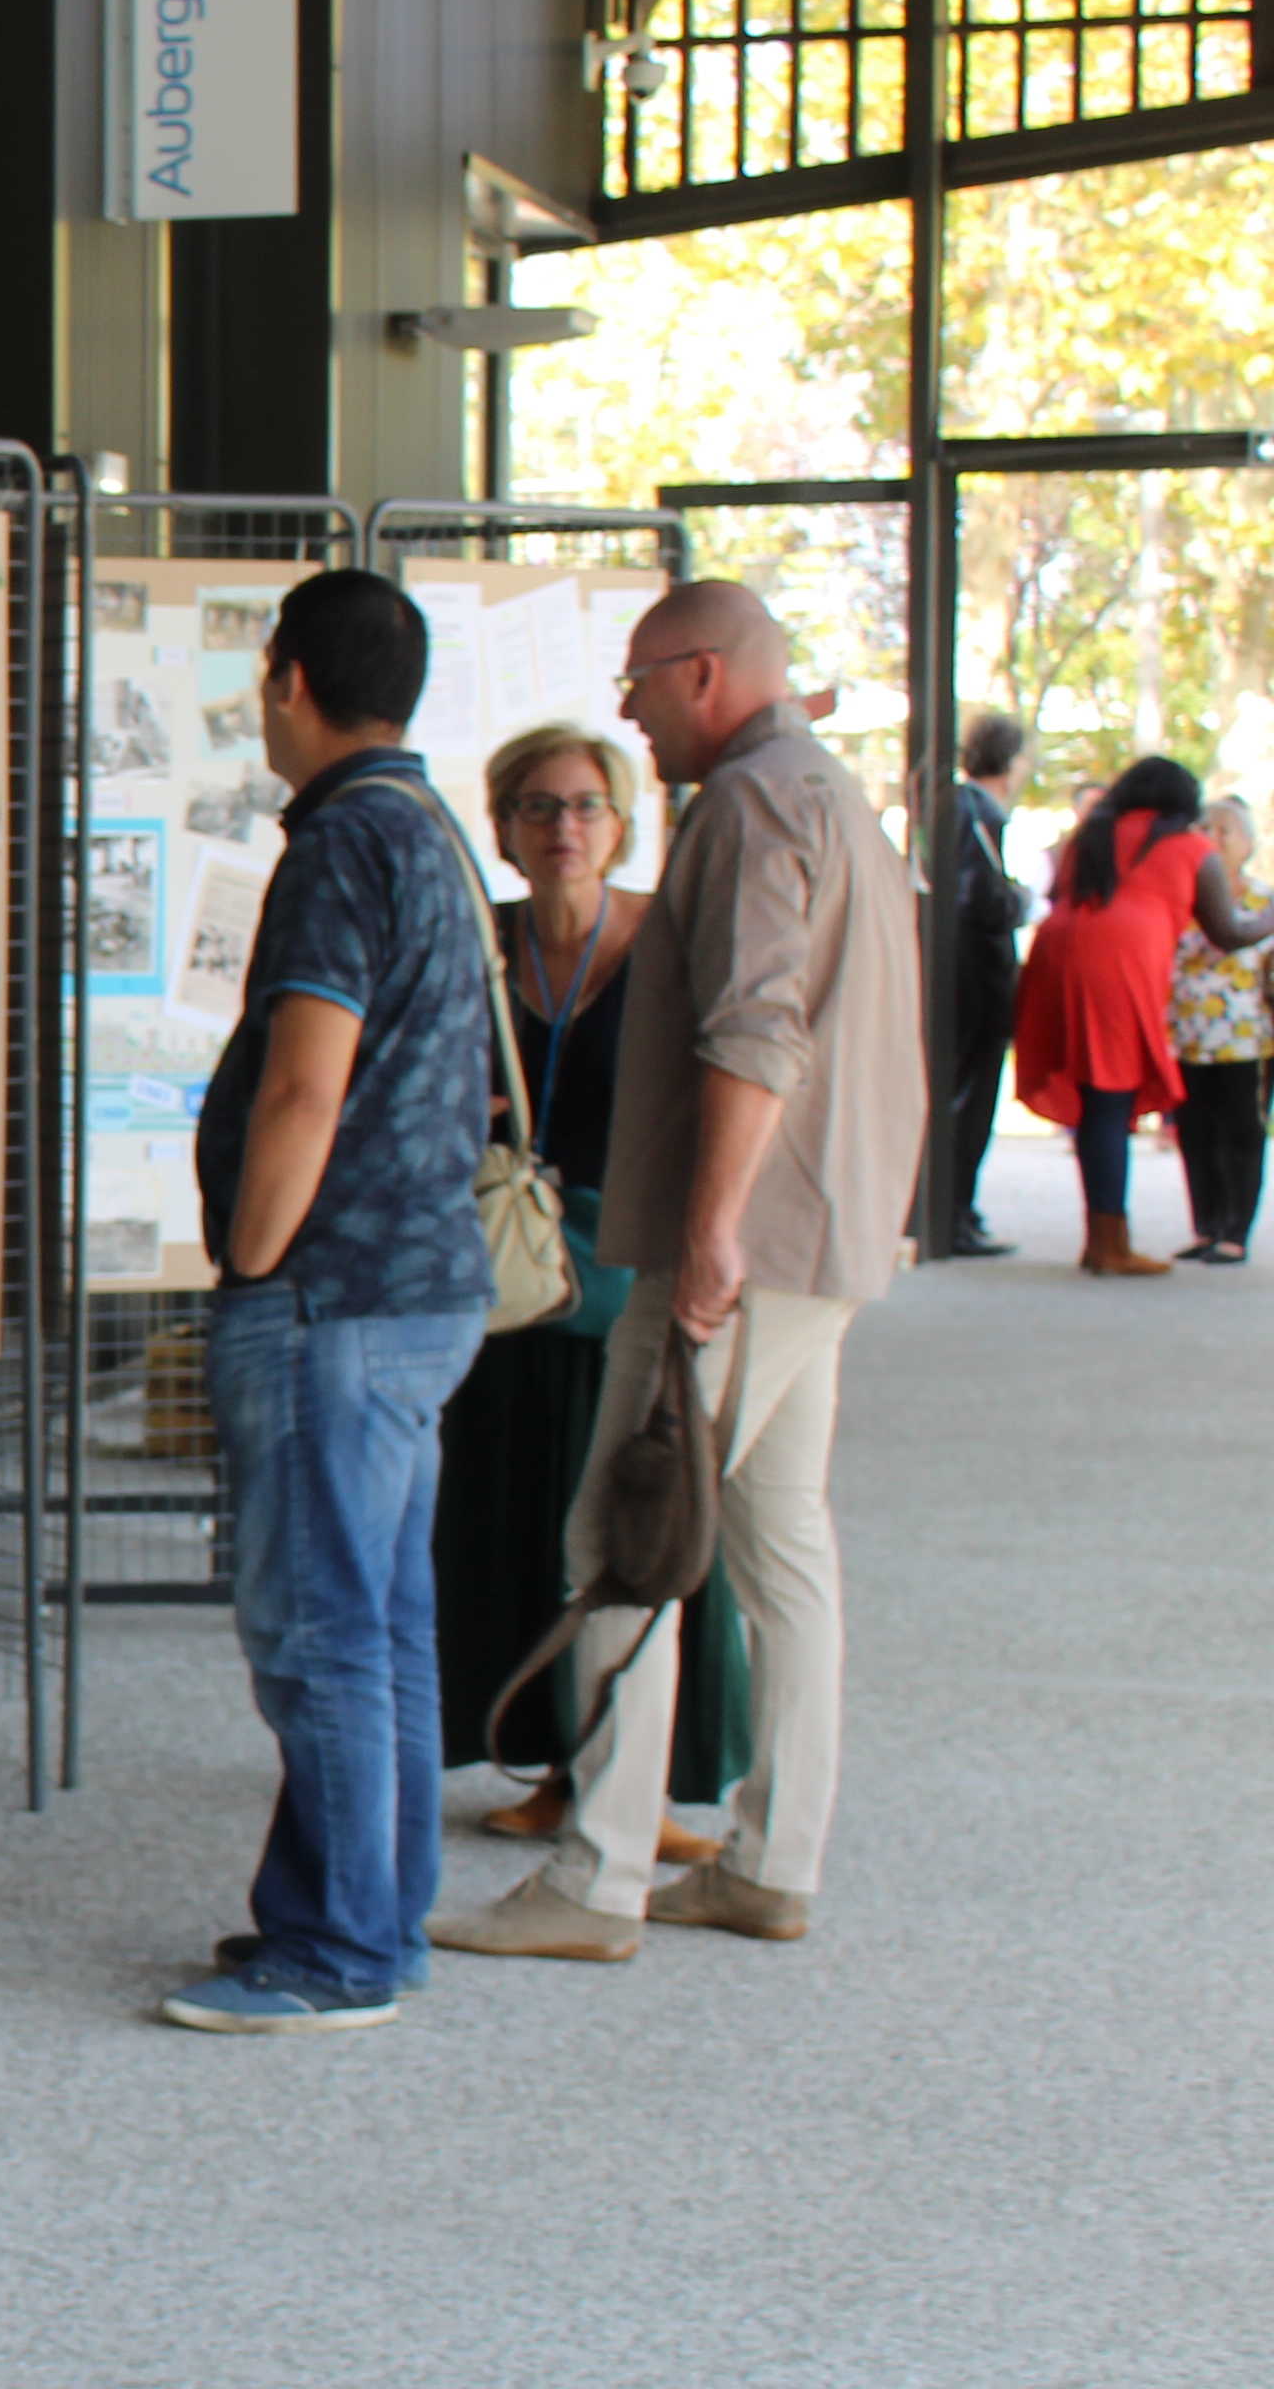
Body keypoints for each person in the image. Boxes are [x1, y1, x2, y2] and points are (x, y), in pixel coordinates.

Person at [438, 583, 923, 1963]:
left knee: (622, 1537)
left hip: (753, 1243)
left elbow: (759, 1032)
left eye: (642, 686)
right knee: (782, 1550)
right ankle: (774, 1860)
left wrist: (710, 1232)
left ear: (702, 674)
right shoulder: (828, 796)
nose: (633, 716)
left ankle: (595, 1879)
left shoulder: (760, 807)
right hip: (824, 1239)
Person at [154, 572, 494, 2033]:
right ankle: (358, 1914)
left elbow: (307, 1080)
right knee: (383, 1620)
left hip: (329, 1301)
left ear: (287, 682)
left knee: (319, 1632)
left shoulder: (342, 844)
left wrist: (250, 1264)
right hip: (420, 1290)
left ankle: (344, 1949)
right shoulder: (428, 827)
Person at [431, 721, 747, 1855]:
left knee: (635, 1506)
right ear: (505, 830)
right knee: (516, 1512)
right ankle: (559, 1766)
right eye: (537, 808)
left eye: (584, 807)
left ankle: (647, 1776)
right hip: (508, 1273)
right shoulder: (482, 945)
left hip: (629, 1262)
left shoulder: (666, 941)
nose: (563, 828)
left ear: (619, 825)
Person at [1008, 754, 1274, 1279]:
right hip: (1121, 963)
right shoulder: (1190, 847)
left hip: (1059, 953)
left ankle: (1103, 1236)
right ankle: (1111, 1244)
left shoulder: (1090, 835)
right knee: (1109, 1097)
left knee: (1095, 1097)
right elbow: (1228, 932)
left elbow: (1056, 890)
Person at [932, 710, 1036, 1255]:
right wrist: (1019, 900)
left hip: (961, 980)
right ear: (1012, 762)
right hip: (975, 981)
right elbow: (980, 898)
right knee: (969, 1101)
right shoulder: (976, 814)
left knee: (961, 1096)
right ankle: (952, 1213)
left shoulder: (960, 808)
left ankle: (953, 1210)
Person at [1170, 795, 1268, 1263]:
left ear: (1247, 844)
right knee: (1194, 1131)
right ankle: (1206, 1225)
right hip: (1185, 1034)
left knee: (1242, 1130)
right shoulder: (1180, 898)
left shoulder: (1264, 902)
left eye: (1225, 830)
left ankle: (1235, 1231)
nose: (1213, 837)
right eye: (1205, 828)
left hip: (1245, 1037)